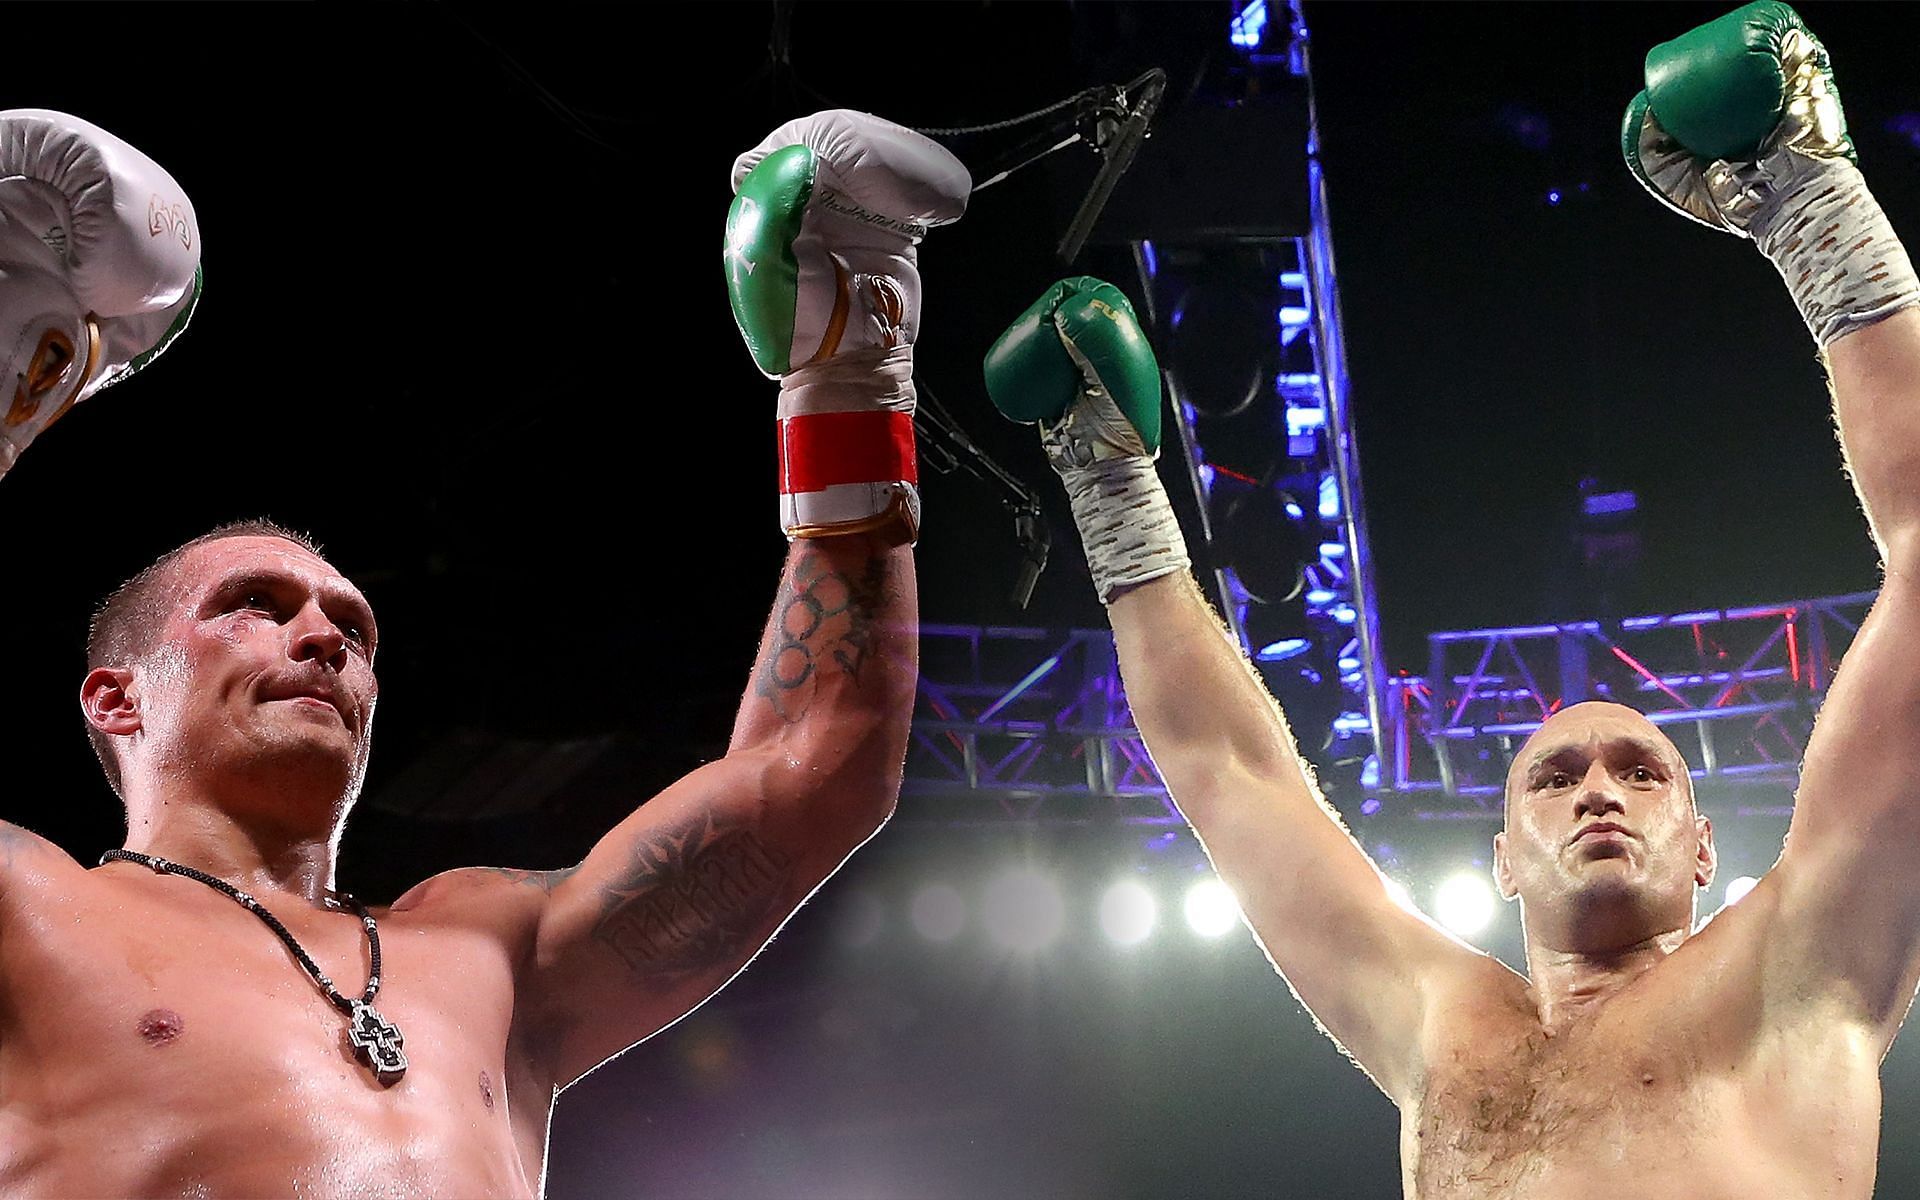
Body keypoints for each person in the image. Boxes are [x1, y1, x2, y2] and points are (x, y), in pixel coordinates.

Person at [986, 3, 1917, 1193]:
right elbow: (1229, 776)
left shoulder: (1797, 963)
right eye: (1554, 775)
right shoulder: (1444, 1030)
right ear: (1501, 862)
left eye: (1641, 770)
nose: (1597, 789)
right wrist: (1107, 479)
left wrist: (1811, 204)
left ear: (1704, 852)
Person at [0, 107, 965, 1196]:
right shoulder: (30, 911)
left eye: (353, 629)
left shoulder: (492, 952)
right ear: (117, 699)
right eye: (255, 606)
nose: (322, 637)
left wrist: (849, 383)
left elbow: (817, 770)